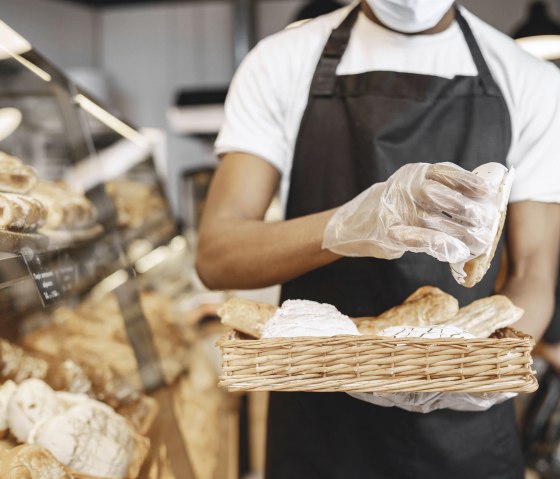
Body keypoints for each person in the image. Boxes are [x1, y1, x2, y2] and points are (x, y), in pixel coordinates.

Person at [196, 0, 560, 477]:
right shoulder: (282, 62)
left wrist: (484, 369)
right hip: (320, 417)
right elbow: (217, 255)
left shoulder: (530, 81)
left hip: (462, 429)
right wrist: (346, 226)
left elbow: (533, 273)